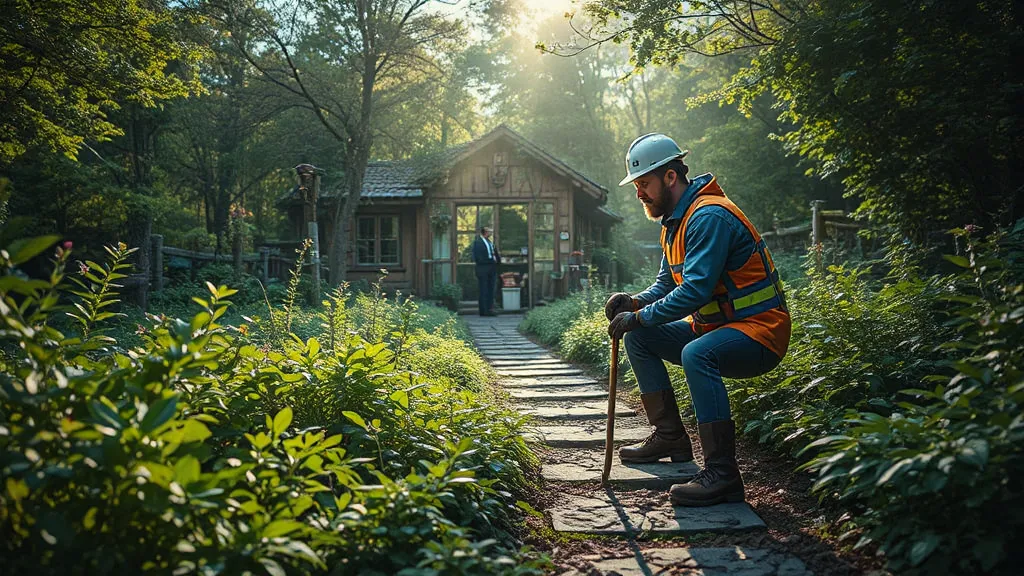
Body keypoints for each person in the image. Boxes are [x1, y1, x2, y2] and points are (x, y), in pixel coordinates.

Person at [605, 133, 790, 507]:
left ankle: (723, 474)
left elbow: (694, 293)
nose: (639, 193)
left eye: (643, 184)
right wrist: (635, 302)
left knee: (696, 354)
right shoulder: (676, 221)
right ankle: (670, 436)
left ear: (670, 177)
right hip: (716, 328)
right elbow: (666, 283)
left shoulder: (708, 216)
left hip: (760, 332)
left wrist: (637, 317)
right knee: (640, 339)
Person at [472, 226, 499, 316]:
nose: (491, 233)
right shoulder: (478, 243)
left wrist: (497, 260)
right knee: (483, 289)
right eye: (490, 231)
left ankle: (490, 309)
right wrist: (491, 260)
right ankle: (484, 310)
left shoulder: (490, 242)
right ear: (485, 232)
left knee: (491, 289)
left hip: (492, 268)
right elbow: (478, 258)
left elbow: (494, 253)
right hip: (483, 269)